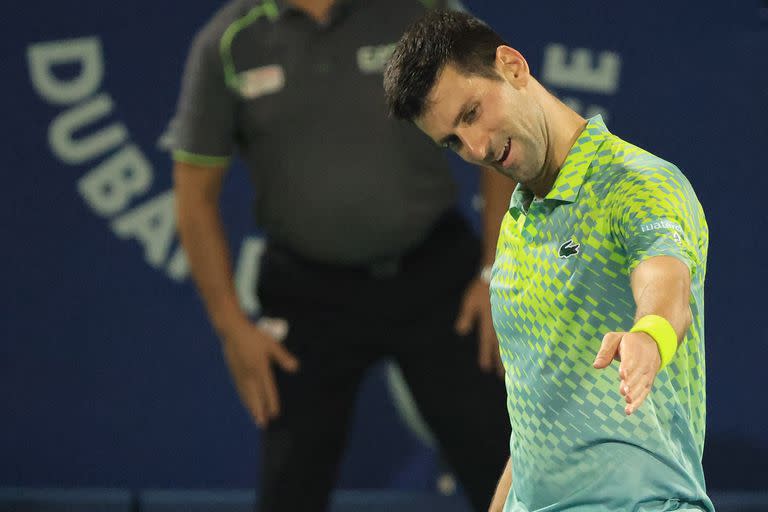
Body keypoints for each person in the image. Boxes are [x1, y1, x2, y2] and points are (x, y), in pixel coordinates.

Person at [170, 1, 514, 511]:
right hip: (308, 293)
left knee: (507, 470)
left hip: (434, 277)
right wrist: (230, 326)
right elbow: (194, 197)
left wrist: (494, 272)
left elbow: (499, 125)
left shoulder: (422, 12)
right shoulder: (229, 42)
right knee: (289, 489)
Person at [384, 10, 714, 512]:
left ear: (513, 66)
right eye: (451, 141)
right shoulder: (515, 226)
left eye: (471, 112)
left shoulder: (637, 182)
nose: (474, 149)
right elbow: (536, 427)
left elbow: (666, 280)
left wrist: (650, 334)